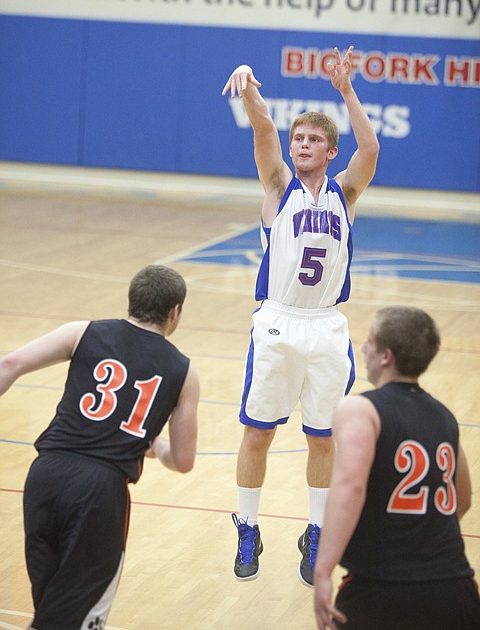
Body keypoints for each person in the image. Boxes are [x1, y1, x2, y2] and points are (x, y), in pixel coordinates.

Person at [222, 46, 380, 586]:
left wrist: (347, 91)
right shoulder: (278, 188)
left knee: (321, 438)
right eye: (299, 139)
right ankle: (247, 523)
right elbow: (264, 131)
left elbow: (371, 147)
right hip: (278, 322)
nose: (303, 145)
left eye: (314, 140)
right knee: (258, 434)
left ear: (330, 151)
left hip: (328, 328)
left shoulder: (346, 193)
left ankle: (315, 533)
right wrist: (249, 88)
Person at [0, 264, 200, 630]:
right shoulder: (182, 371)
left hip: (45, 474)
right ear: (175, 312)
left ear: (132, 301)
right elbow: (184, 461)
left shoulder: (83, 332)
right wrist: (155, 446)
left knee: (52, 607)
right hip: (98, 491)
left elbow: (9, 364)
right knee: (74, 617)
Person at [313, 306, 480, 630]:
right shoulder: (444, 416)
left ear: (386, 356)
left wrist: (322, 570)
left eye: (370, 340)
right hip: (455, 588)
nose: (363, 347)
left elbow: (351, 486)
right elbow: (462, 499)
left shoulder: (360, 407)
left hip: (381, 588)